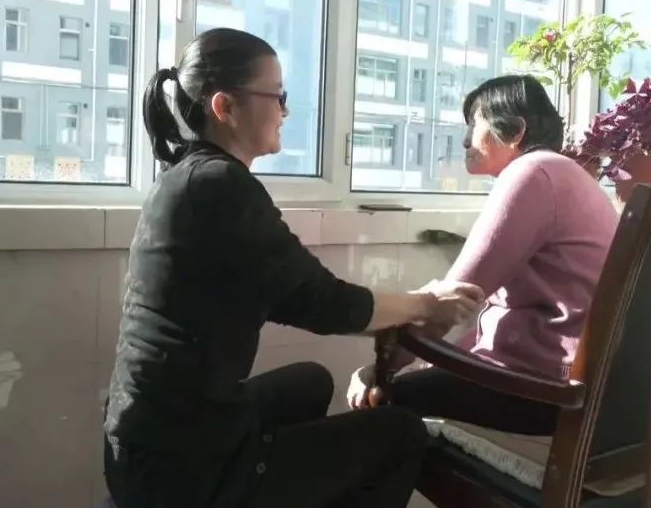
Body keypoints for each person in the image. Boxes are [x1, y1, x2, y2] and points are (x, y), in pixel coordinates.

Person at [102, 27, 484, 508]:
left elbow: (294, 295)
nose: (285, 111)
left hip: (148, 443)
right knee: (401, 433)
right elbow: (324, 303)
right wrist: (426, 305)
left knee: (310, 382)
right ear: (225, 106)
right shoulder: (220, 186)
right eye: (277, 96)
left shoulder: (187, 177)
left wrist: (406, 310)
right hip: (182, 469)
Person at [348, 75, 619, 436]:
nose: (465, 140)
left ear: (515, 131)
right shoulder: (563, 174)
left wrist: (381, 368)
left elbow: (454, 299)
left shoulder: (531, 173)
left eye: (474, 125)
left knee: (382, 402)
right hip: (572, 381)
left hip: (546, 387)